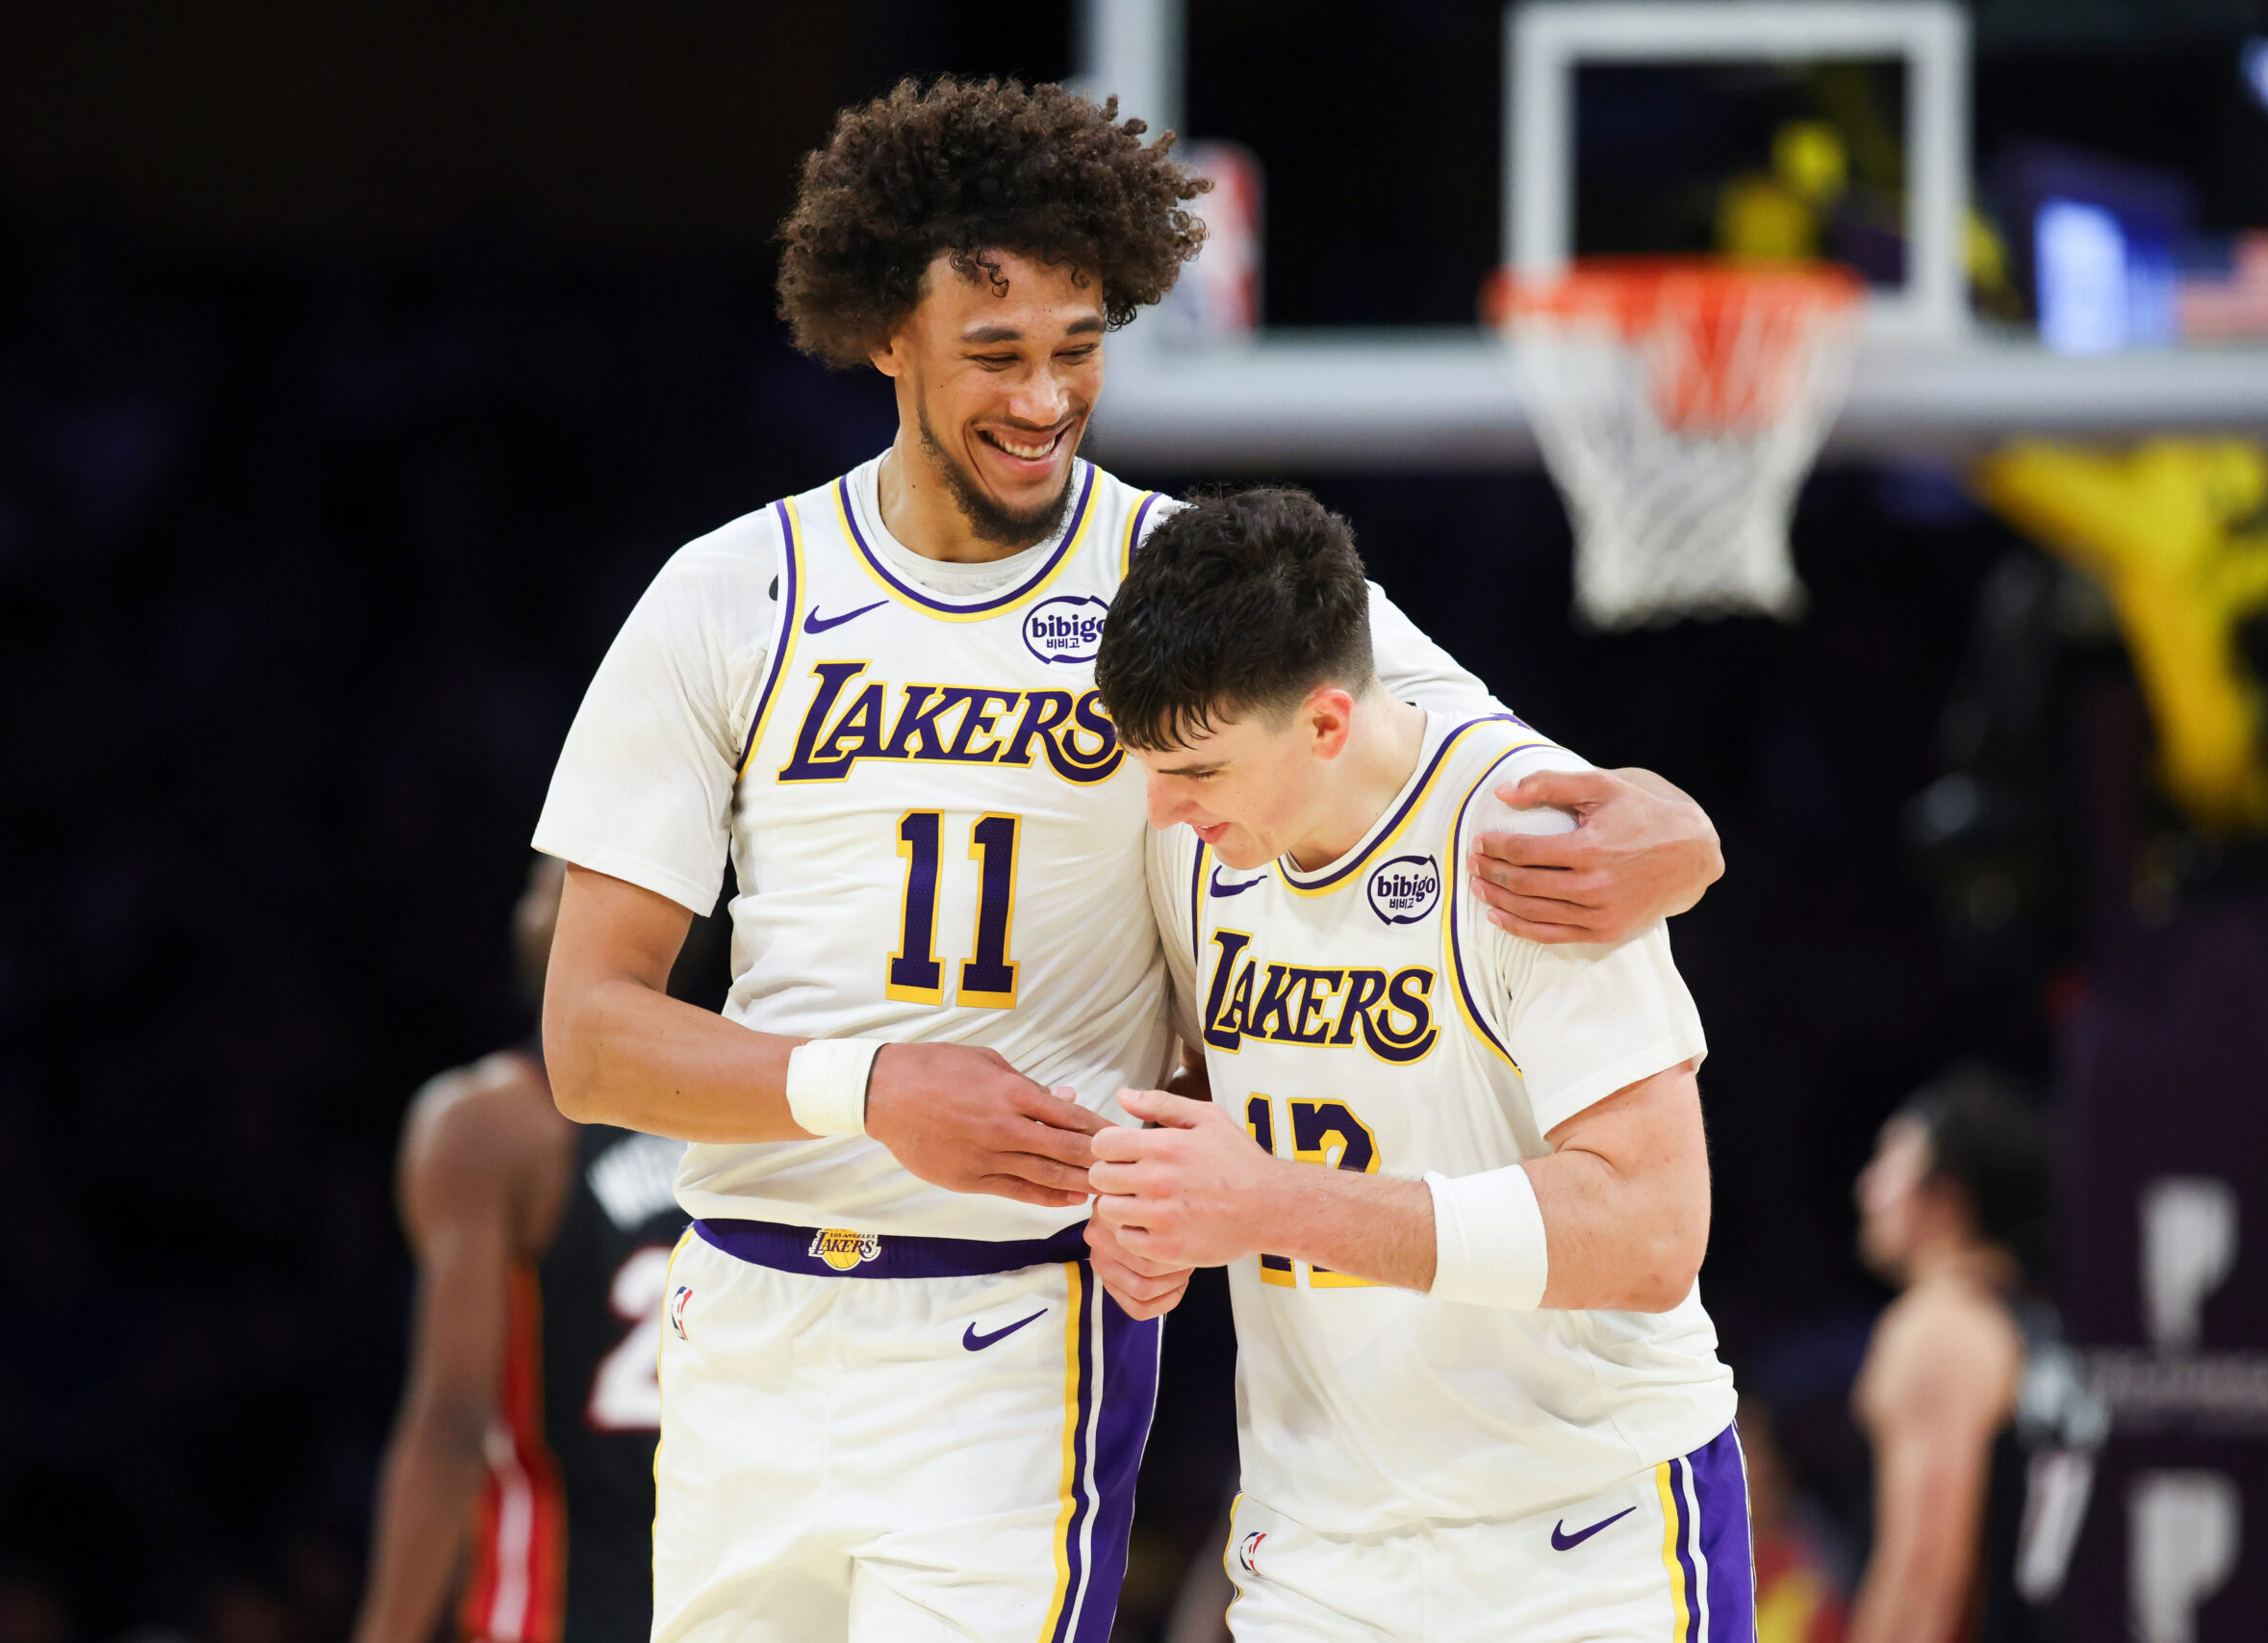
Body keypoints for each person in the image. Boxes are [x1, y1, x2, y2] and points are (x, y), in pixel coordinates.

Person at [534, 78, 1727, 1641]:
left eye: (1078, 350)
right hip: (742, 1304)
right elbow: (589, 1037)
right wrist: (871, 1086)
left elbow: (1468, 766)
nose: (1043, 397)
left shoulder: (1188, 592)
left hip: (1014, 1317)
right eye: (997, 354)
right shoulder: (727, 595)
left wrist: (1683, 828)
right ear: (886, 335)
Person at [1089, 487, 1749, 1642]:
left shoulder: (1534, 844)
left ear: (1327, 726)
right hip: (1318, 1551)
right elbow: (1257, 1104)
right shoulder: (1200, 837)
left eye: (1194, 771)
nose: (1159, 804)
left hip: (1582, 1545)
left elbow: (1652, 1229)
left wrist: (1271, 1203)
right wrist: (1152, 1204)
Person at [352, 858, 694, 1643]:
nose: (532, 911)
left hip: (549, 1614)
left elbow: (451, 1420)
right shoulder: (763, 1114)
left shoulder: (492, 1126)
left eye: (556, 888)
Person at [1847, 1069, 2089, 1643]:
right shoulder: (2034, 1328)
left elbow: (1925, 1579)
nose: (1867, 1186)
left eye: (1889, 1163)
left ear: (1945, 1195)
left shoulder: (1939, 1332)